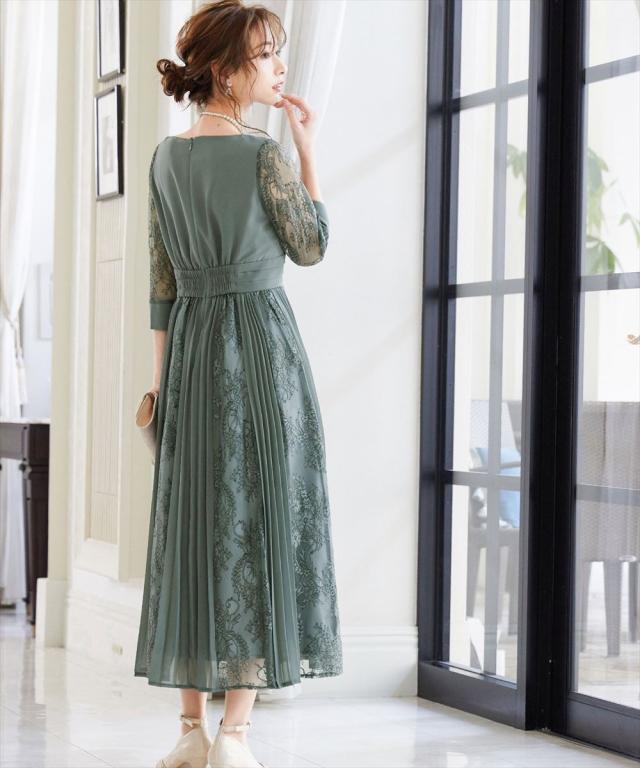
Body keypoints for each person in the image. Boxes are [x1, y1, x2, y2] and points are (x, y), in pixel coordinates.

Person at [132, 1, 343, 767]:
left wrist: (162, 386)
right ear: (225, 71)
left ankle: (190, 731)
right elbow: (310, 246)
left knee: (193, 526)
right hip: (259, 347)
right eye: (264, 54)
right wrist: (307, 151)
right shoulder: (262, 155)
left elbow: (161, 285)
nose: (278, 67)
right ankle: (236, 735)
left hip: (191, 351)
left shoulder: (164, 159)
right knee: (258, 522)